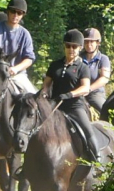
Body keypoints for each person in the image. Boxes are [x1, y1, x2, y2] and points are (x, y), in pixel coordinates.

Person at [41, 29, 100, 163]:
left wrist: (70, 94)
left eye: (74, 46)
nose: (71, 49)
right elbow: (46, 85)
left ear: (80, 48)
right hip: (55, 105)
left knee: (87, 130)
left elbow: (85, 88)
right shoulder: (54, 65)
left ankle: (97, 159)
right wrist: (44, 93)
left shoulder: (82, 67)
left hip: (74, 106)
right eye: (68, 46)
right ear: (64, 47)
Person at [80, 28, 112, 115]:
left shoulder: (103, 59)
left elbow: (104, 78)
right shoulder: (78, 58)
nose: (89, 44)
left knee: (106, 112)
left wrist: (88, 89)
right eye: (86, 42)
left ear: (97, 43)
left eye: (92, 42)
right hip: (78, 92)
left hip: (95, 94)